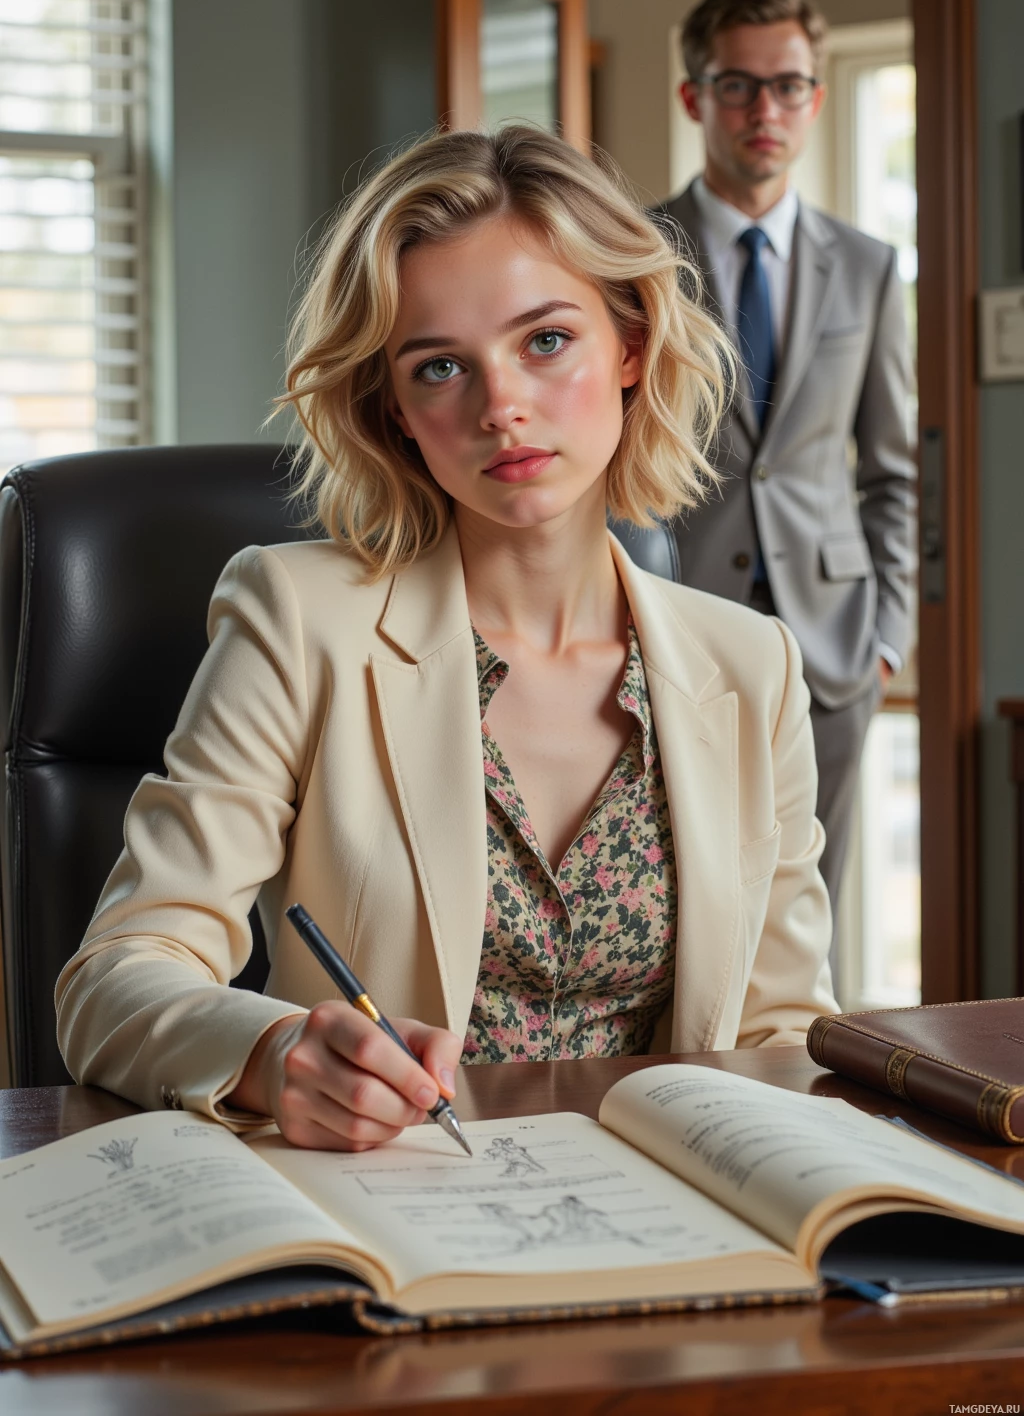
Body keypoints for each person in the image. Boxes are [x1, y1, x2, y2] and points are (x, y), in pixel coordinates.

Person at [56, 126, 837, 1154]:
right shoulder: (297, 622)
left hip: (676, 1209)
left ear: (631, 346)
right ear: (396, 414)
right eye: (439, 368)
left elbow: (780, 1035)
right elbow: (115, 977)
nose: (501, 406)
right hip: (404, 1213)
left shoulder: (752, 665)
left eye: (546, 341)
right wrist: (273, 1052)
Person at [662, 0, 917, 915]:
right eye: (739, 85)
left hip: (836, 647)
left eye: (790, 86)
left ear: (813, 98)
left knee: (811, 906)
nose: (764, 109)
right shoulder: (632, 252)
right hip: (678, 630)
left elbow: (892, 471)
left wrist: (888, 636)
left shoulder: (869, 265)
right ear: (695, 97)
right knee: (688, 907)